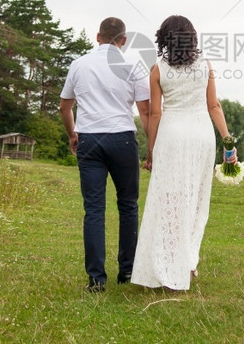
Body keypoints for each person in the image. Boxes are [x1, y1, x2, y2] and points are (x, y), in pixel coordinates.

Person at [131, 15, 236, 291]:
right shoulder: (205, 67)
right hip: (201, 136)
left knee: (168, 200)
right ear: (192, 38)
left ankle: (166, 264)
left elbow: (155, 113)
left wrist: (151, 151)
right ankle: (188, 262)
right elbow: (214, 106)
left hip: (172, 136)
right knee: (196, 200)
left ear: (165, 39)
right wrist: (228, 143)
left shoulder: (157, 70)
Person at [59, 17, 150, 293]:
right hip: (122, 139)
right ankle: (128, 269)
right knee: (128, 205)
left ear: (97, 37)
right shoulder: (133, 66)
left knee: (94, 210)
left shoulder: (79, 65)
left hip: (89, 139)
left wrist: (72, 134)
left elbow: (65, 107)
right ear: (123, 41)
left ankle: (96, 279)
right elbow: (145, 112)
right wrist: (153, 149)